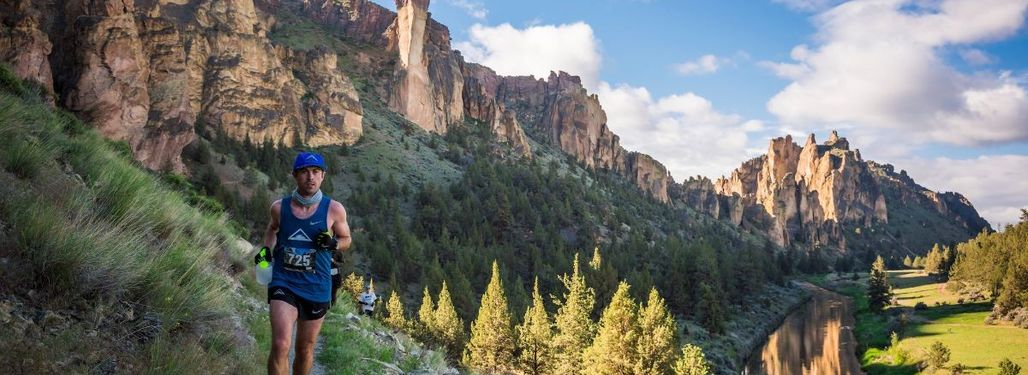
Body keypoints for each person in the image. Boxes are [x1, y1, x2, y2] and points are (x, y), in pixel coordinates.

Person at [256, 151, 351, 375]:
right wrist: (265, 251)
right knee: (280, 344)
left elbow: (346, 239)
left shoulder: (334, 209)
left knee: (305, 349)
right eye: (305, 172)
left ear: (323, 176)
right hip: (284, 281)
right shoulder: (280, 207)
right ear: (295, 176)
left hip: (316, 285)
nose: (310, 177)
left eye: (316, 172)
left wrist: (332, 243)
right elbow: (272, 229)